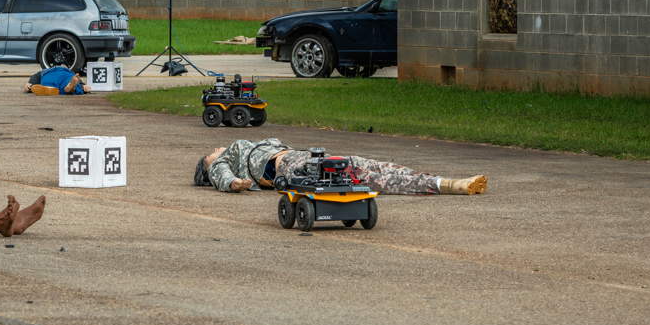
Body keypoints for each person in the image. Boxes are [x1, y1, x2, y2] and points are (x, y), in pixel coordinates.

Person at [193, 137, 487, 195]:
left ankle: (439, 181)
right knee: (367, 176)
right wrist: (236, 183)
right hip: (290, 167)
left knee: (368, 166)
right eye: (208, 155)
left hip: (299, 157)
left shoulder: (243, 146)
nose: (212, 150)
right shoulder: (222, 161)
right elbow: (224, 177)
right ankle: (445, 185)